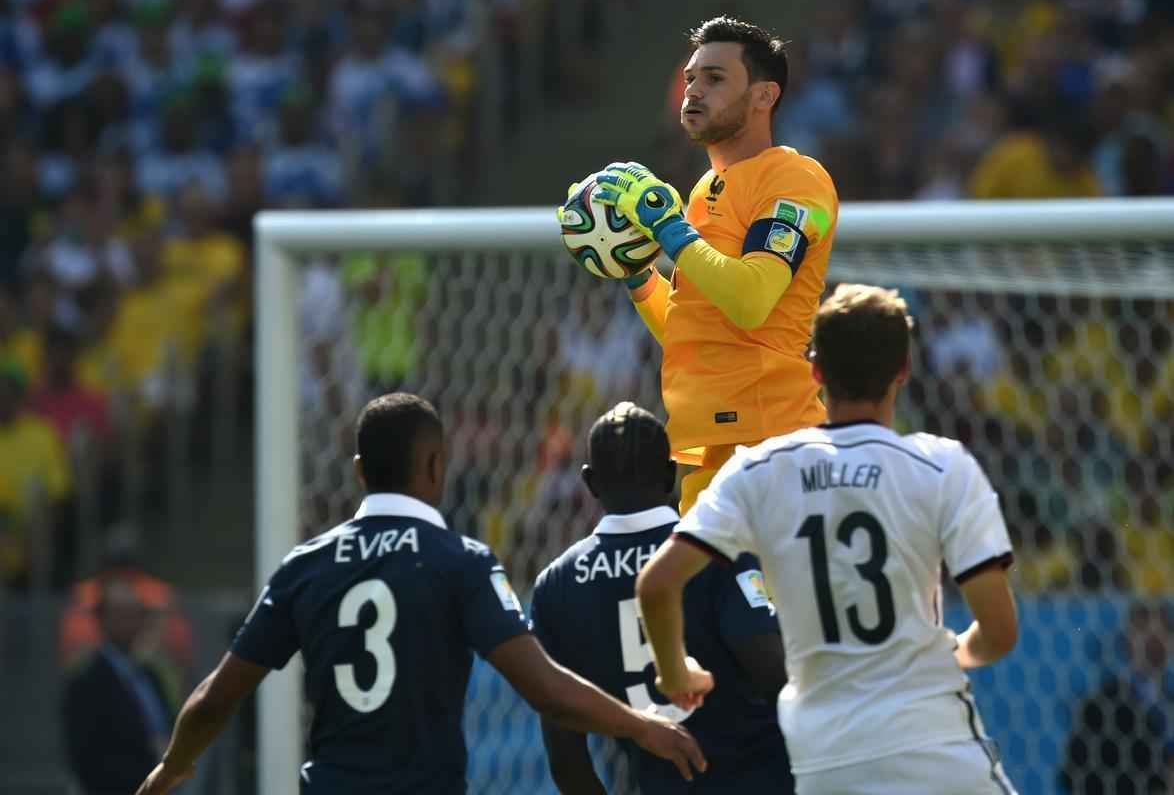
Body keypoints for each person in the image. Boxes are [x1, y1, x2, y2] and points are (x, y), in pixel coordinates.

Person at [134, 392, 705, 795]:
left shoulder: (305, 567)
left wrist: (171, 768)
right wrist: (639, 726)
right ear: (436, 467)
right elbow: (545, 690)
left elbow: (216, 698)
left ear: (359, 471)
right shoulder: (459, 562)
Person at [635, 284, 1020, 794]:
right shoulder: (942, 466)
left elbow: (657, 586)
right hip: (932, 742)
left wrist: (675, 675)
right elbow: (999, 631)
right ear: (903, 370)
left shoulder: (758, 470)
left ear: (814, 370)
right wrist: (952, 653)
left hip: (826, 757)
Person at [584, 16, 839, 514]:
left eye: (715, 79)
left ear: (764, 96)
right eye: (691, 78)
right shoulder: (704, 191)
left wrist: (670, 231)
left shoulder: (794, 179)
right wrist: (637, 277)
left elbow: (749, 300)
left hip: (774, 446)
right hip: (716, 454)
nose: (694, 90)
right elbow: (696, 325)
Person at [530, 401, 793, 794]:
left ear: (591, 483)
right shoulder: (712, 548)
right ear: (672, 473)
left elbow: (568, 762)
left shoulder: (557, 585)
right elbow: (771, 670)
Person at [63, 577, 175, 795]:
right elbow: (86, 760)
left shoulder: (151, 676)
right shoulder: (86, 683)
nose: (131, 622)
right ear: (102, 619)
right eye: (122, 614)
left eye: (136, 614)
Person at [1059, 601, 1173, 795]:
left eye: (1163, 631)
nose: (1153, 640)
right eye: (1142, 629)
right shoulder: (1100, 706)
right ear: (1128, 639)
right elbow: (1073, 775)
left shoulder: (1168, 700)